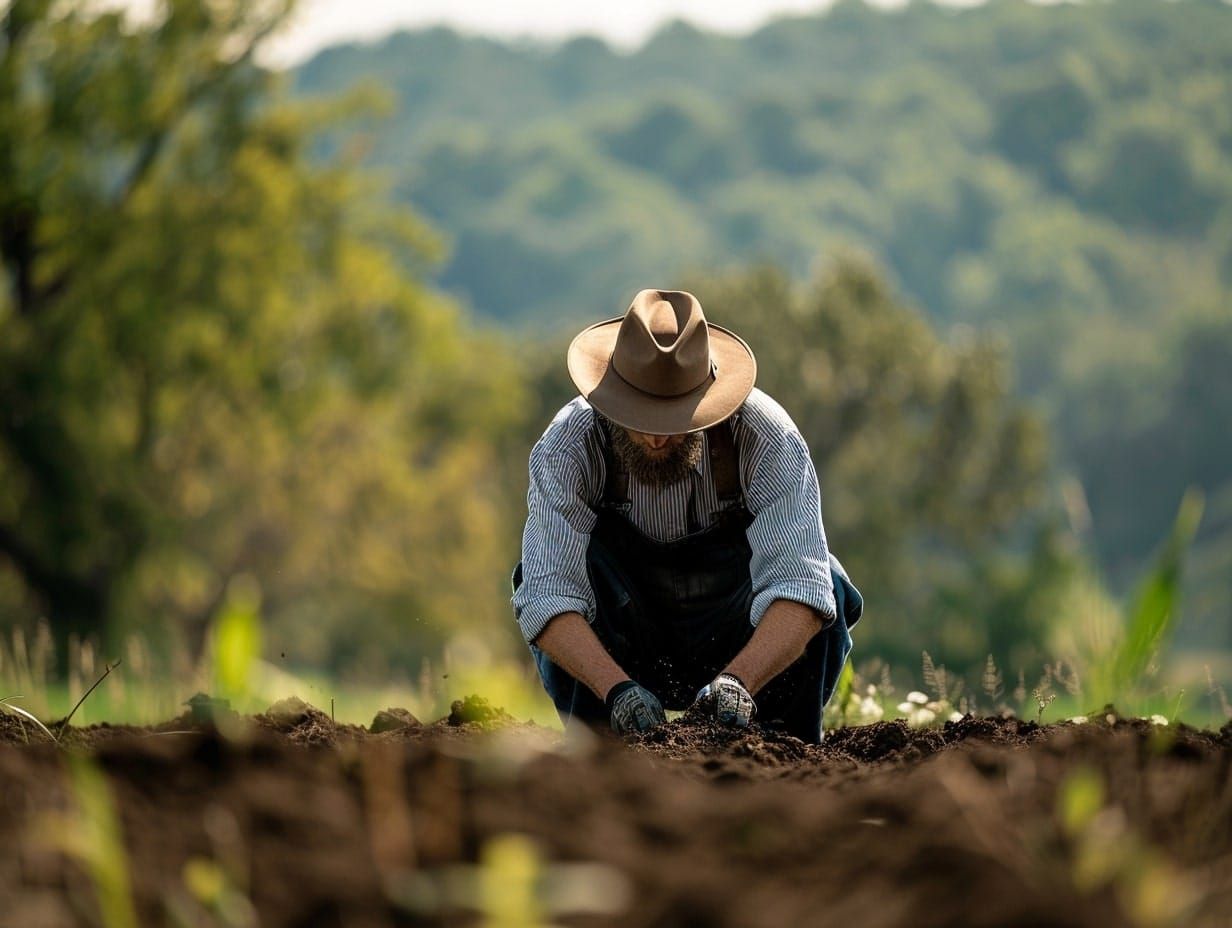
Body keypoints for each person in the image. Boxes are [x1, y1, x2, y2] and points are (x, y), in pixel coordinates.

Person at [512, 289, 862, 744]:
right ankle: (599, 759)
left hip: (737, 640)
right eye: (641, 418)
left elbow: (800, 587)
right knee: (539, 577)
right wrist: (616, 690)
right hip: (622, 645)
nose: (656, 439)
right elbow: (548, 594)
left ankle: (784, 754)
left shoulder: (766, 438)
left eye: (673, 421)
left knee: (827, 579)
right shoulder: (568, 446)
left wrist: (738, 683)